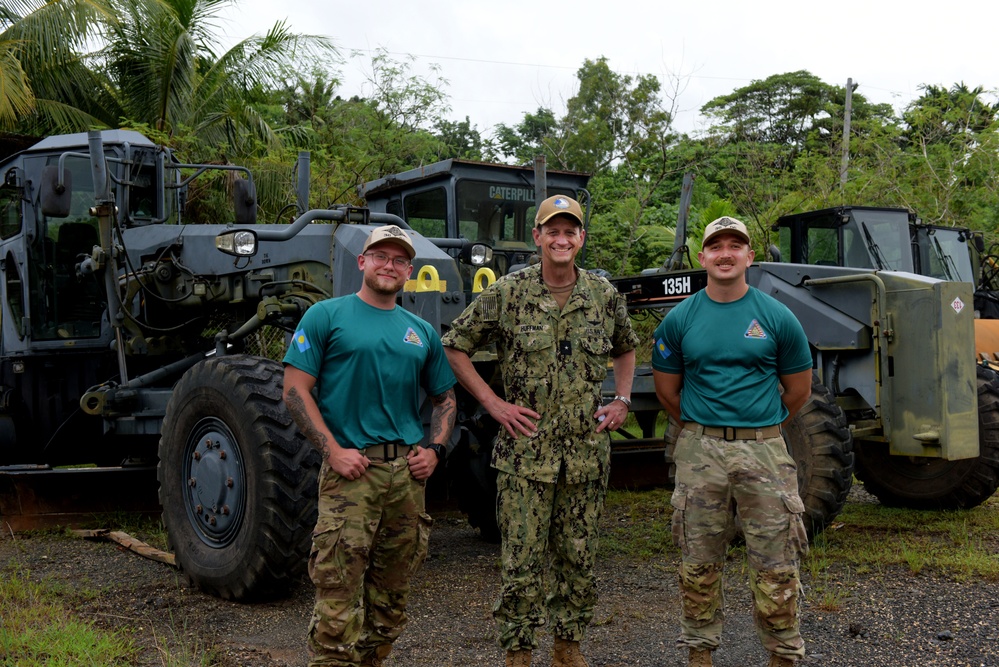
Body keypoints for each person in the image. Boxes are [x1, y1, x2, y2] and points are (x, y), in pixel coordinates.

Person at [442, 194, 639, 667]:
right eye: (553, 230)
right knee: (521, 561)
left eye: (570, 230)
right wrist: (492, 403)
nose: (562, 238)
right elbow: (454, 345)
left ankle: (568, 648)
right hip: (526, 456)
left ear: (581, 239)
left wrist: (623, 399)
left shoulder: (602, 294)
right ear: (538, 237)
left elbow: (626, 347)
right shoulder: (510, 293)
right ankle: (519, 652)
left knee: (578, 557)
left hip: (585, 455)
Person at [282, 224, 457, 667]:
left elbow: (445, 398)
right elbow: (294, 390)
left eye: (399, 259)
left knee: (391, 604)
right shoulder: (327, 316)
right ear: (362, 262)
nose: (389, 265)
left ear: (409, 271)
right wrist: (332, 450)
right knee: (338, 598)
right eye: (381, 256)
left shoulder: (420, 331)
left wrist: (434, 449)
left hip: (405, 479)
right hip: (350, 476)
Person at [651, 216, 813, 667]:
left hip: (764, 451)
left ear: (749, 257)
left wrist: (757, 429)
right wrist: (707, 430)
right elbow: (668, 392)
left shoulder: (778, 316)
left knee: (776, 563)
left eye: (735, 245)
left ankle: (783, 657)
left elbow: (798, 390)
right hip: (700, 452)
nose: (725, 253)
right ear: (702, 257)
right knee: (698, 563)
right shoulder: (680, 319)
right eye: (715, 246)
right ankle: (699, 656)